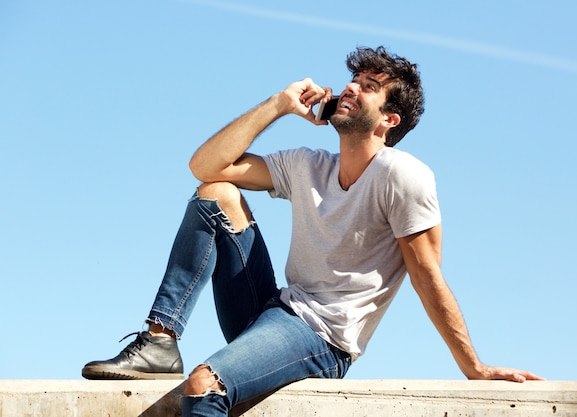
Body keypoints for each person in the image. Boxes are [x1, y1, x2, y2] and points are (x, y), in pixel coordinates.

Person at [82, 46, 543, 416]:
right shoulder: (307, 164)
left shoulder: (403, 177)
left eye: (368, 87)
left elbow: (426, 273)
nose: (350, 88)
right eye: (353, 80)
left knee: (205, 385)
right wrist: (279, 105)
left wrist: (473, 366)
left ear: (389, 120)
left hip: (321, 339)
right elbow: (204, 165)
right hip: (271, 310)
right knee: (215, 193)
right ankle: (161, 340)